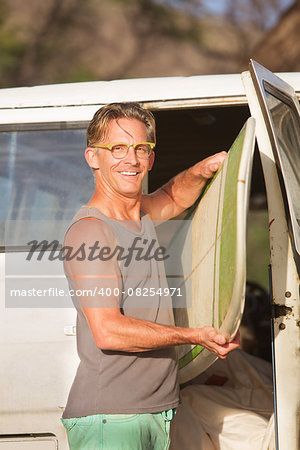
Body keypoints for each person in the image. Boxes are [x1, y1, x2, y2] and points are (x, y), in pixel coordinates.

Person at [61, 102, 240, 450]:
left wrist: (204, 171)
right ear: (92, 158)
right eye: (117, 148)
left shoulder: (139, 214)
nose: (131, 159)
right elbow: (109, 331)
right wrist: (193, 335)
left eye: (141, 148)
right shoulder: (92, 231)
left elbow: (173, 196)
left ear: (151, 158)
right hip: (112, 419)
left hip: (153, 411)